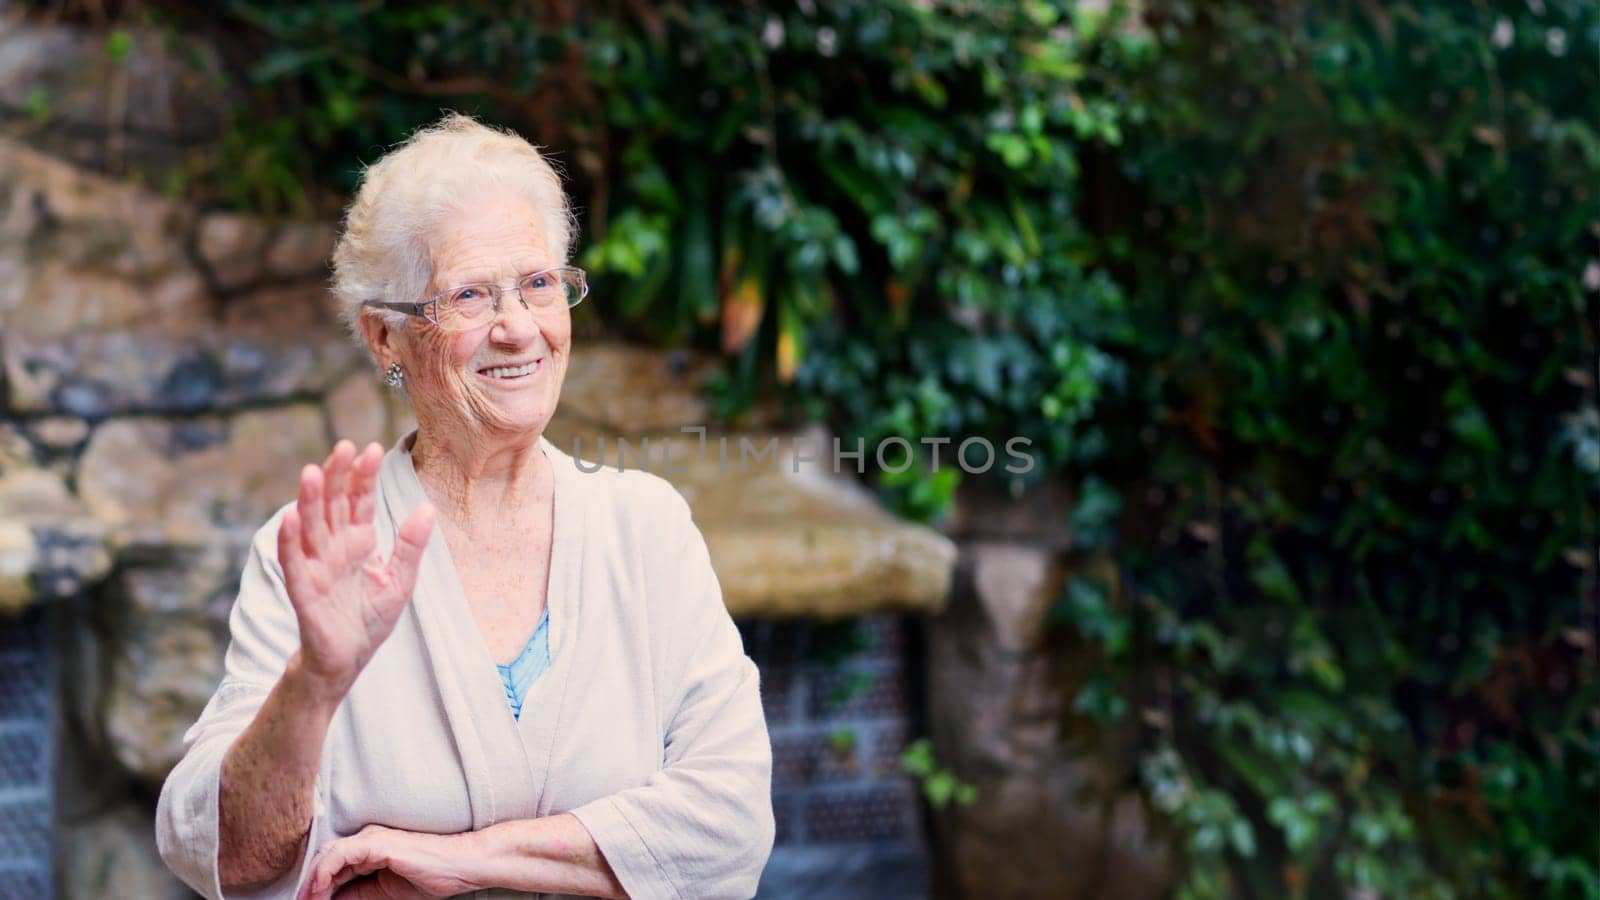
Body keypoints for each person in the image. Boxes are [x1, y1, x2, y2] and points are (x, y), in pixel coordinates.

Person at [155, 113, 775, 900]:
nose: (519, 329)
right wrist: (313, 681)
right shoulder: (318, 550)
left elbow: (734, 824)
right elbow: (218, 852)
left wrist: (466, 860)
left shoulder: (646, 530)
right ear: (386, 339)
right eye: (472, 295)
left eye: (541, 283)